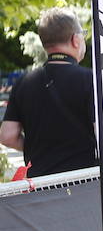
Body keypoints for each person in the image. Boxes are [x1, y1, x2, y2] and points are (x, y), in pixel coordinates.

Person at [0, 10, 98, 177]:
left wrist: (39, 146)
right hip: (84, 184)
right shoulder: (91, 80)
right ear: (75, 39)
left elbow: (7, 136)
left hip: (41, 186)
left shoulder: (24, 82)